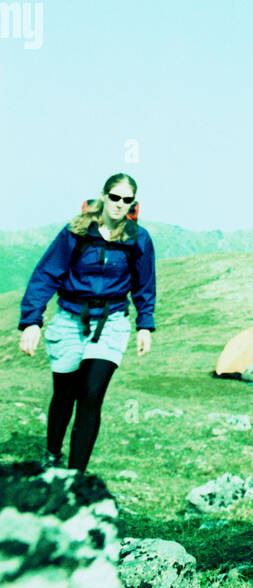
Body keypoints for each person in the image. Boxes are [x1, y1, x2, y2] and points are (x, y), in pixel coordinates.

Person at [18, 173, 156, 473]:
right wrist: (31, 321)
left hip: (112, 323)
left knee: (91, 394)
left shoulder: (138, 238)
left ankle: (75, 477)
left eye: (126, 200)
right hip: (69, 320)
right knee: (64, 394)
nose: (120, 204)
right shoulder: (76, 231)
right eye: (115, 197)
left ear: (133, 203)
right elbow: (46, 274)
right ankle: (52, 454)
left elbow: (144, 285)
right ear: (104, 196)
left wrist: (145, 325)